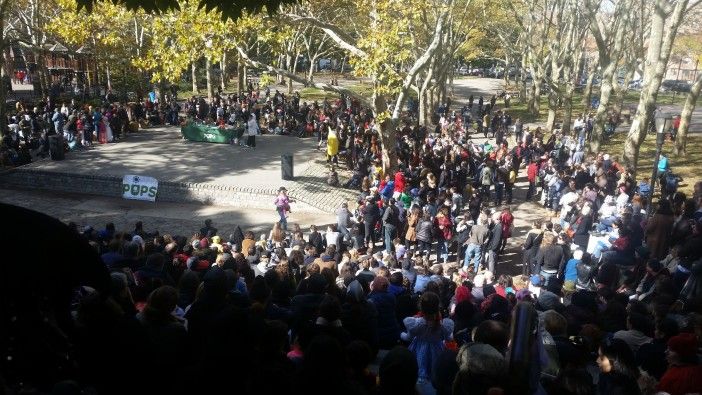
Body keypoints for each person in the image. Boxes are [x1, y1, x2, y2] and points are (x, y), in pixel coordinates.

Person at [401, 292, 454, 382]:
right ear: (438, 307)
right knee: (435, 369)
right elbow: (449, 338)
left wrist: (401, 334)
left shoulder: (416, 323)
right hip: (437, 349)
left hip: (418, 349)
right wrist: (450, 334)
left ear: (421, 307)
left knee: (419, 368)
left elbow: (408, 337)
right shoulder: (443, 326)